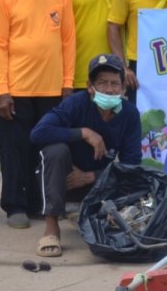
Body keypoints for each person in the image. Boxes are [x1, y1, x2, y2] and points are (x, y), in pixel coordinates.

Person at [0, 0, 77, 229]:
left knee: (50, 151)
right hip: (17, 89)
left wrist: (68, 85)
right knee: (15, 150)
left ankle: (44, 204)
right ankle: (15, 205)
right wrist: (3, 90)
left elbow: (68, 40)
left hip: (53, 90)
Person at [30, 54, 142, 258]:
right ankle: (51, 228)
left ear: (123, 88)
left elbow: (131, 165)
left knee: (135, 181)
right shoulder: (75, 103)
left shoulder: (130, 114)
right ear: (90, 87)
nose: (109, 89)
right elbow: (38, 133)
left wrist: (92, 176)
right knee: (55, 150)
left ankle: (86, 213)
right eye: (102, 83)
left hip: (97, 185)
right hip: (63, 182)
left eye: (115, 84)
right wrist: (84, 133)